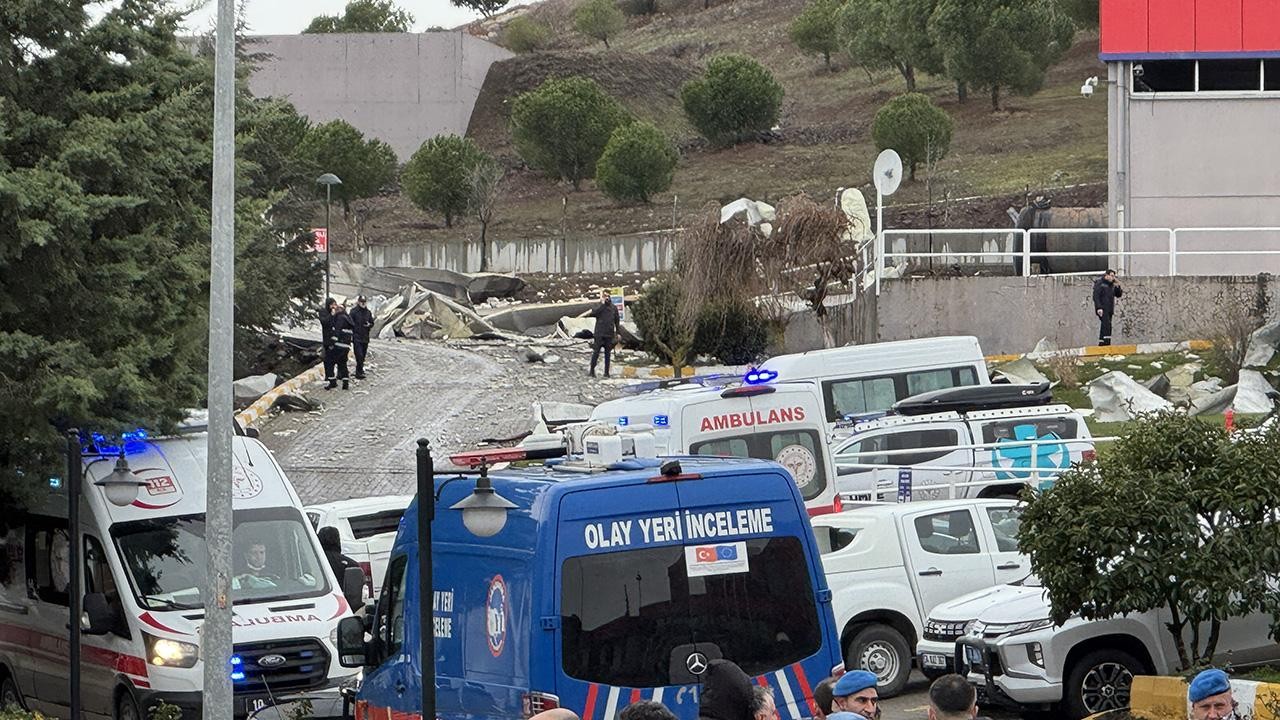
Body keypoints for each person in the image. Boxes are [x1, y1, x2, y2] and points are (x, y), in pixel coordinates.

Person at [588, 289, 620, 378]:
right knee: (596, 353)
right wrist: (602, 304)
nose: (607, 298)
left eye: (608, 296)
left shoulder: (614, 308)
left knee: (608, 354)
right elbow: (593, 313)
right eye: (605, 296)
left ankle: (606, 372)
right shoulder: (599, 306)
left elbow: (617, 321)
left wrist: (618, 332)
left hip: (609, 334)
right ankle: (592, 371)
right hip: (599, 334)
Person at [1092, 269, 1124, 347]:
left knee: (1108, 326)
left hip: (1110, 309)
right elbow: (1096, 296)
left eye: (1114, 276)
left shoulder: (1112, 285)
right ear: (1107, 275)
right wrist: (1099, 307)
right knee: (1106, 326)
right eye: (1112, 276)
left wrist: (1118, 286)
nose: (1113, 278)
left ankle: (1106, 343)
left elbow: (1118, 295)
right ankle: (1103, 344)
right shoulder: (1100, 283)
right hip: (1103, 308)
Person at [328, 302, 355, 390]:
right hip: (346, 346)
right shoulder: (348, 318)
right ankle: (345, 383)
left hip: (338, 345)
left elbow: (337, 331)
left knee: (330, 362)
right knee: (343, 364)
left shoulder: (339, 318)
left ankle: (332, 382)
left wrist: (332, 344)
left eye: (336, 309)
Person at [350, 295, 374, 380]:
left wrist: (369, 325)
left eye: (364, 302)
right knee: (359, 355)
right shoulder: (353, 312)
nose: (363, 304)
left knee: (363, 356)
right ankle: (359, 372)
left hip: (365, 337)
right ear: (358, 302)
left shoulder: (368, 312)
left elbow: (372, 322)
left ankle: (360, 370)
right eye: (361, 302)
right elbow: (350, 323)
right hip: (357, 336)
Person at [320, 297, 337, 385]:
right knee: (327, 359)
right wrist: (331, 315)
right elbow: (324, 322)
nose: (333, 307)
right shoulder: (324, 312)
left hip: (336, 339)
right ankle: (328, 375)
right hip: (327, 338)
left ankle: (332, 374)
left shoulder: (335, 312)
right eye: (332, 305)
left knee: (334, 358)